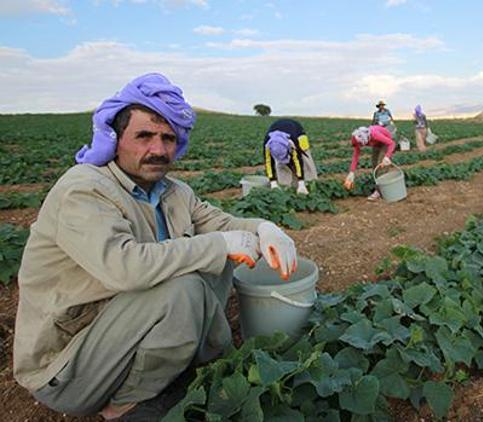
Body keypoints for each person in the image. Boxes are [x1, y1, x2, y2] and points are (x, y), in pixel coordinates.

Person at [12, 73, 298, 420]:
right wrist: (218, 244)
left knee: (217, 257)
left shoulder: (174, 192)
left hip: (124, 333)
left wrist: (266, 229)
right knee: (186, 283)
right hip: (70, 366)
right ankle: (128, 404)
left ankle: (195, 361)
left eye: (168, 138)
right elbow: (125, 267)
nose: (158, 150)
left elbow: (223, 225)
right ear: (116, 139)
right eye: (144, 136)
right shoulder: (83, 189)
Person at [263, 118, 318, 195]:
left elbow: (298, 161)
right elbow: (268, 163)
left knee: (305, 159)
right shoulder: (268, 144)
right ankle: (286, 186)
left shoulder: (292, 141)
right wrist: (273, 182)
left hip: (297, 132)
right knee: (280, 164)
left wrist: (301, 183)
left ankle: (309, 182)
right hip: (279, 131)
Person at [344, 125, 396, 201]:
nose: (361, 146)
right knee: (374, 164)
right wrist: (351, 172)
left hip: (386, 142)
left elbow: (392, 143)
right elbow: (356, 156)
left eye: (361, 145)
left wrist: (387, 157)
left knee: (382, 165)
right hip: (376, 143)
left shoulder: (375, 134)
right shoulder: (357, 138)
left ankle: (379, 191)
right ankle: (380, 185)